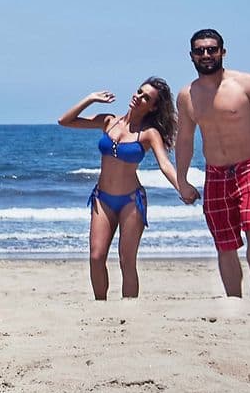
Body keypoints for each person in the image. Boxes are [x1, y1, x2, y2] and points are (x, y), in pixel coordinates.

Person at [174, 29, 250, 299]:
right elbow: (184, 139)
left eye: (212, 49)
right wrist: (182, 180)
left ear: (222, 52)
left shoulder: (246, 84)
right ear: (191, 56)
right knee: (225, 243)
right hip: (215, 173)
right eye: (200, 50)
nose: (206, 54)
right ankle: (234, 300)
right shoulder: (186, 95)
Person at [57, 78, 181, 300]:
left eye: (146, 98)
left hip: (131, 201)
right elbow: (65, 121)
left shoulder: (149, 133)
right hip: (102, 199)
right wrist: (90, 98)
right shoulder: (109, 121)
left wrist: (182, 187)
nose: (139, 97)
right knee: (96, 257)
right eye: (139, 92)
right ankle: (101, 307)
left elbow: (164, 164)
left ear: (153, 107)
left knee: (126, 260)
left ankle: (129, 309)